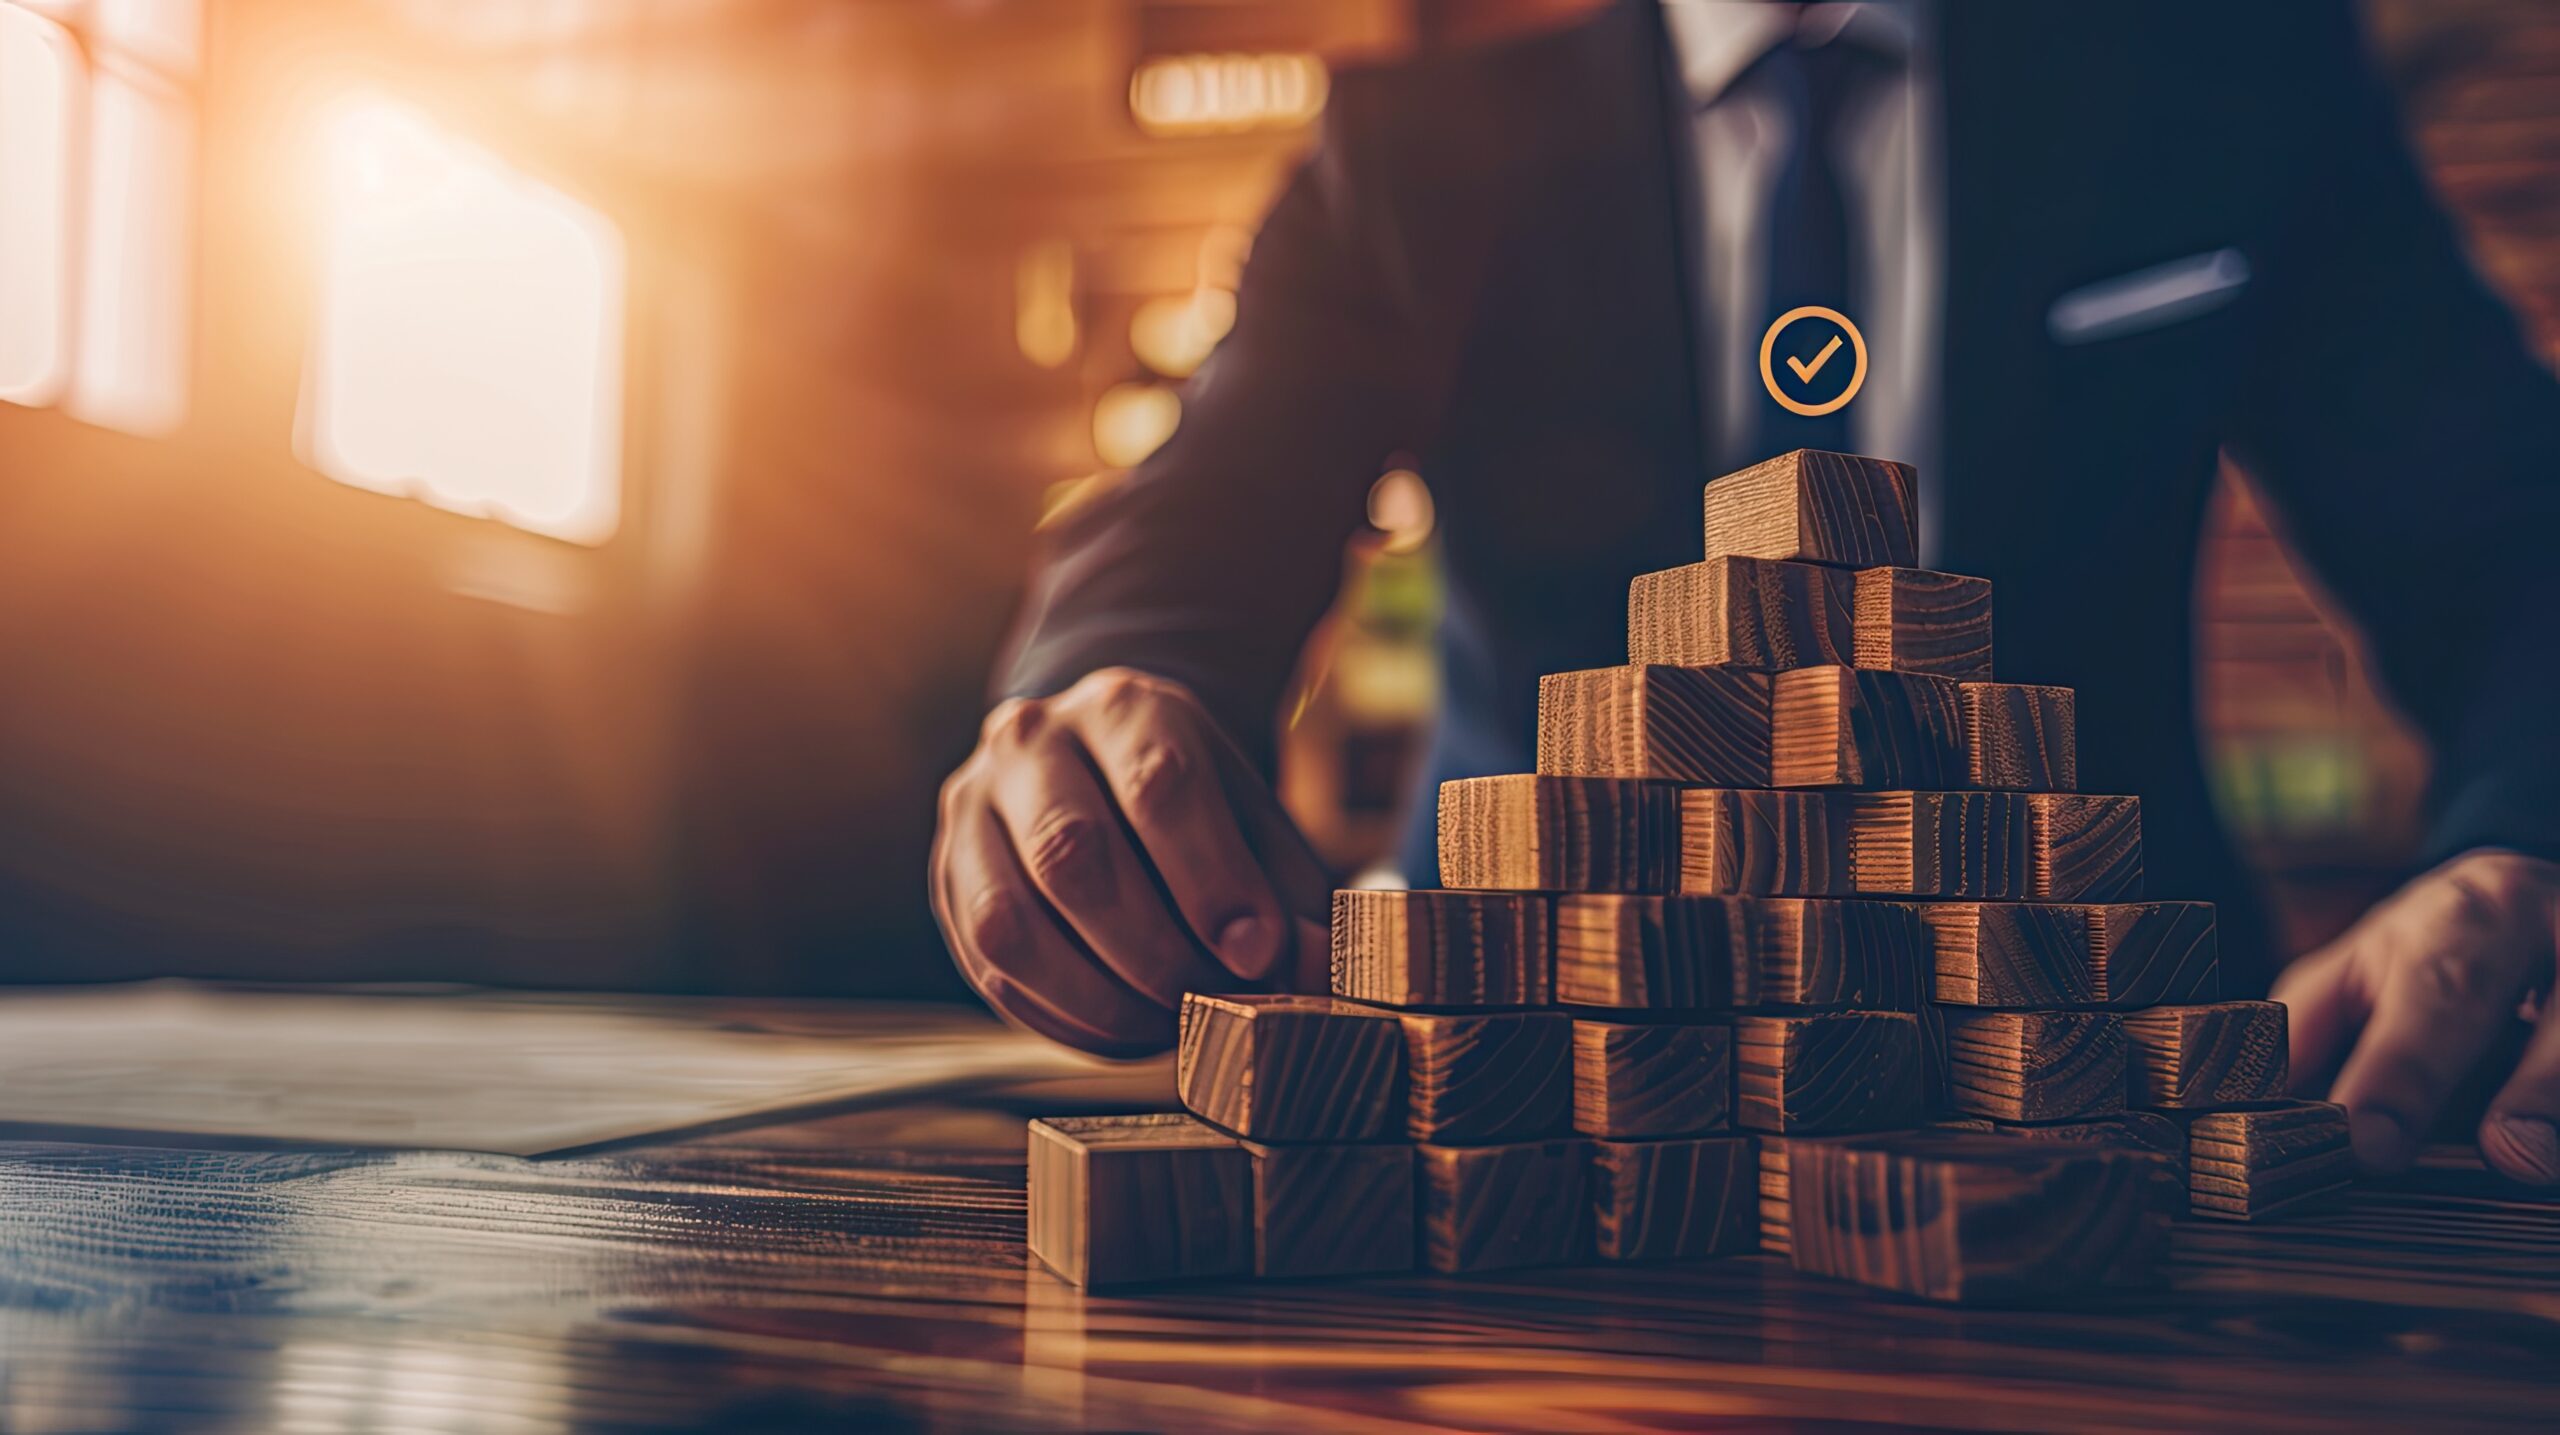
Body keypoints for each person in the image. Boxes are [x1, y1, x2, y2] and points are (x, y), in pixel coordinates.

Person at [930, 0, 2560, 1185]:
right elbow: (1197, 515)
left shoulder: (2222, 72)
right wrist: (1098, 700)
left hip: (2108, 1089)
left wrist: (2520, 847)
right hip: (1526, 1097)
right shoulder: (1418, 141)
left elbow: (2514, 551)